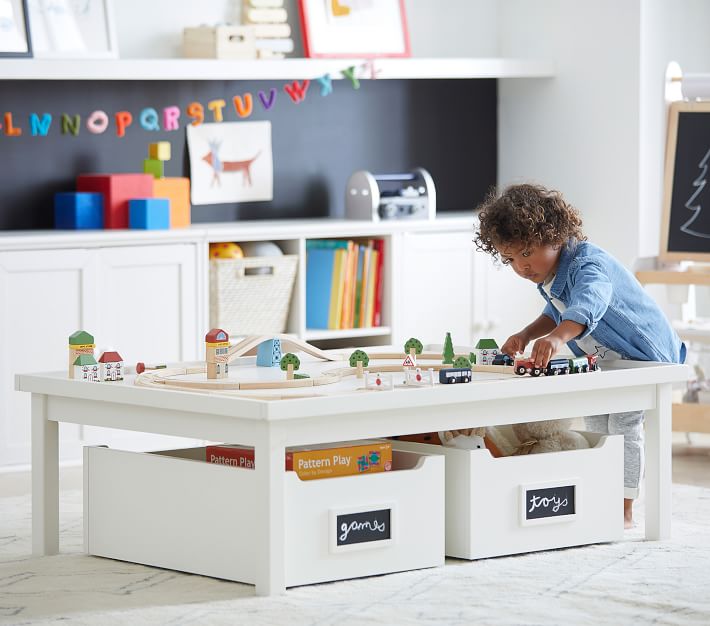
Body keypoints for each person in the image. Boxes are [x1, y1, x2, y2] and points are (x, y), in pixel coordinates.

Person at [474, 183, 685, 528]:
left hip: (644, 358)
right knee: (598, 426)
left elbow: (589, 303)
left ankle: (623, 508)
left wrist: (558, 339)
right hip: (609, 362)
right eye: (511, 259)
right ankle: (603, 494)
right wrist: (526, 335)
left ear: (553, 234)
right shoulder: (554, 274)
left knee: (623, 427)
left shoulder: (589, 265)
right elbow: (556, 310)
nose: (521, 267)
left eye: (527, 253)